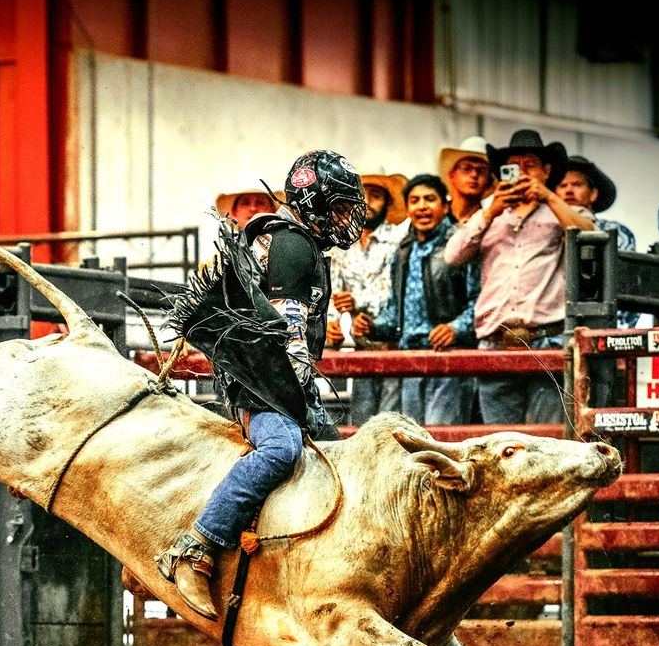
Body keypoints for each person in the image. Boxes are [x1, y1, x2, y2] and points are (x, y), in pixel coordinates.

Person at [158, 150, 368, 620]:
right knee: (281, 448)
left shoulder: (296, 241)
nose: (344, 220)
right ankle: (196, 546)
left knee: (342, 464)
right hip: (261, 382)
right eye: (337, 207)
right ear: (314, 202)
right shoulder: (293, 245)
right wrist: (301, 397)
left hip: (272, 375)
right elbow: (288, 331)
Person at [444, 130, 594, 426]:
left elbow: (591, 237)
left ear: (546, 171)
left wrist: (548, 196)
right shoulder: (489, 212)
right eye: (514, 166)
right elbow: (452, 255)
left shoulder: (560, 210)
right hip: (494, 341)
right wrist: (492, 210)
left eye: (531, 166)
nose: (522, 173)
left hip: (546, 338)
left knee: (549, 439)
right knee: (500, 443)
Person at [351, 174, 476, 426]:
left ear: (445, 206)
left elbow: (479, 301)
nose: (422, 206)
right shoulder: (404, 250)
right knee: (413, 443)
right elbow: (396, 311)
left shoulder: (461, 245)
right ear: (408, 209)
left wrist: (455, 328)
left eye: (430, 199)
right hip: (409, 361)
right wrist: (372, 325)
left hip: (447, 358)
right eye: (415, 200)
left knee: (441, 440)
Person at [324, 170, 406, 425]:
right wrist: (332, 327)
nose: (369, 201)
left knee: (390, 425)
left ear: (387, 203)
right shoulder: (341, 245)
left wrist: (357, 303)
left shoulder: (399, 240)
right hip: (361, 345)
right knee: (362, 424)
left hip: (393, 344)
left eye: (377, 195)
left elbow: (396, 292)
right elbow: (335, 296)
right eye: (363, 195)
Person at [555, 155, 641, 329]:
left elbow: (625, 286)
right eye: (562, 185)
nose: (568, 190)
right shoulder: (544, 231)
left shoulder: (616, 232)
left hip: (599, 324)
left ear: (593, 194)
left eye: (577, 184)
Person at [439, 135, 495, 225]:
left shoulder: (493, 222)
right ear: (452, 175)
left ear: (489, 181)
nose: (474, 174)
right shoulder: (434, 216)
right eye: (466, 168)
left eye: (481, 170)